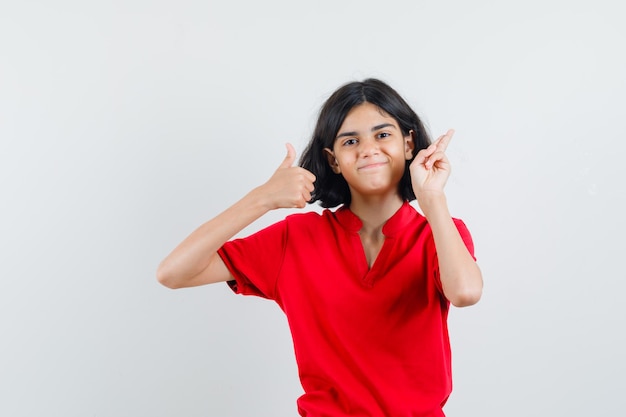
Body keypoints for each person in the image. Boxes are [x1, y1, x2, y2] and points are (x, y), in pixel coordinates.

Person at [157, 78, 483, 416]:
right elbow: (173, 272)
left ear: (409, 143)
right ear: (333, 160)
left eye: (382, 134)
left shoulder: (442, 232)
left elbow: (466, 293)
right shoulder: (295, 238)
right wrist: (262, 199)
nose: (368, 148)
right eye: (351, 141)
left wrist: (433, 200)